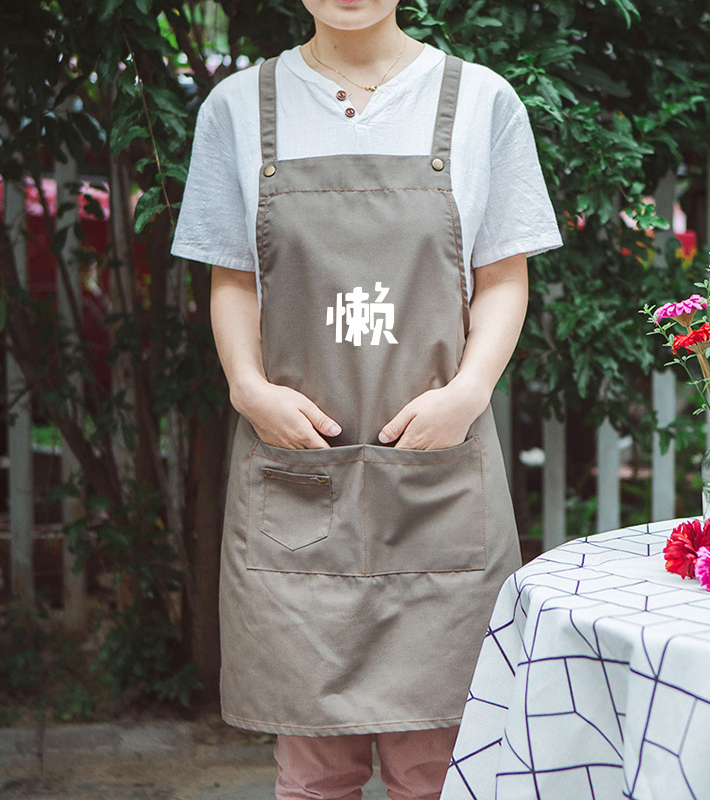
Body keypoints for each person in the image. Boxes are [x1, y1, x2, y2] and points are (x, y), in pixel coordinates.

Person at [170, 0, 562, 797]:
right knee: (313, 771)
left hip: (436, 478)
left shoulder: (481, 101)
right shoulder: (238, 108)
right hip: (298, 476)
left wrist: (468, 391)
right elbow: (232, 278)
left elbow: (503, 276)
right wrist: (249, 388)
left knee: (436, 769)